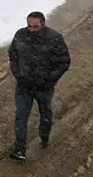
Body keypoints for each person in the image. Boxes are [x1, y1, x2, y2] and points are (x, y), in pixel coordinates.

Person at [7, 10, 70, 161]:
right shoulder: (20, 35)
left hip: (44, 87)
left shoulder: (54, 38)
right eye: (29, 26)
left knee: (45, 113)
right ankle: (20, 149)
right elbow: (13, 55)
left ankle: (44, 137)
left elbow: (64, 62)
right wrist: (18, 74)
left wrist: (49, 80)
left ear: (43, 24)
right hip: (24, 85)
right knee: (21, 116)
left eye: (35, 27)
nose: (32, 30)